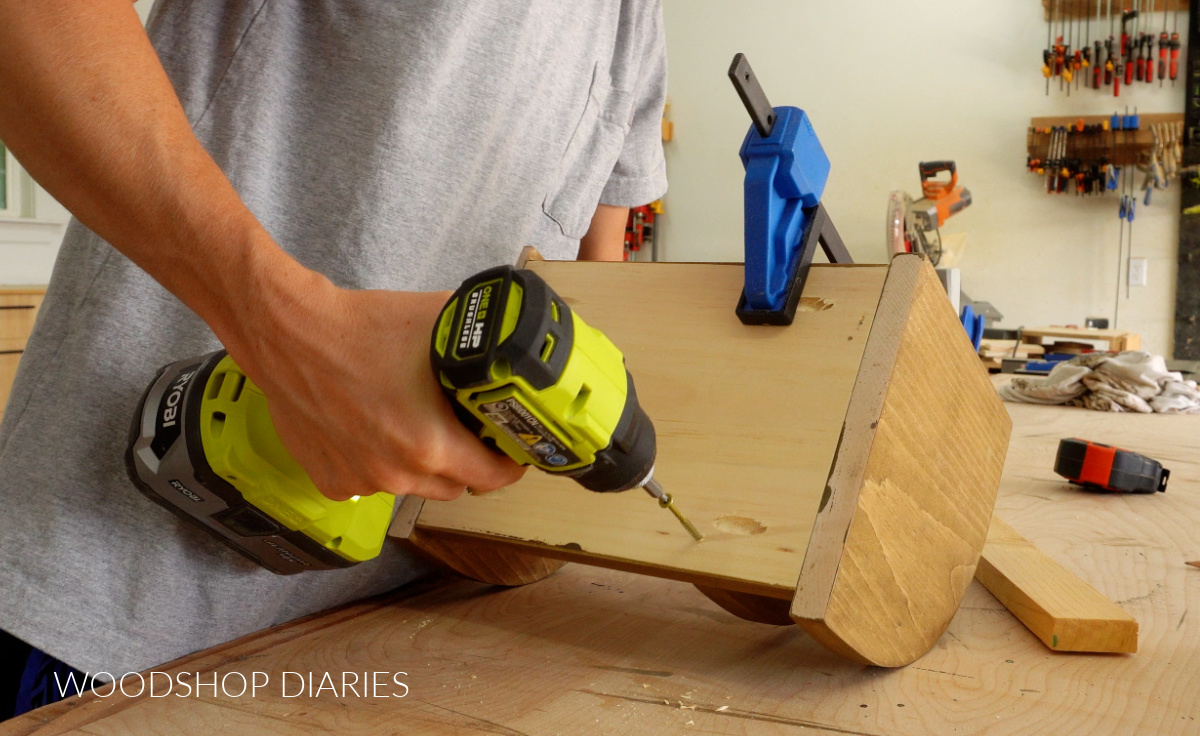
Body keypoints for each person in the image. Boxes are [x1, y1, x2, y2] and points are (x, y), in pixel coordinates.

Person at [0, 0, 666, 720]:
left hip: (413, 637)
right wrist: (283, 328)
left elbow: (601, 280)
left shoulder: (637, 20)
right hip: (123, 613)